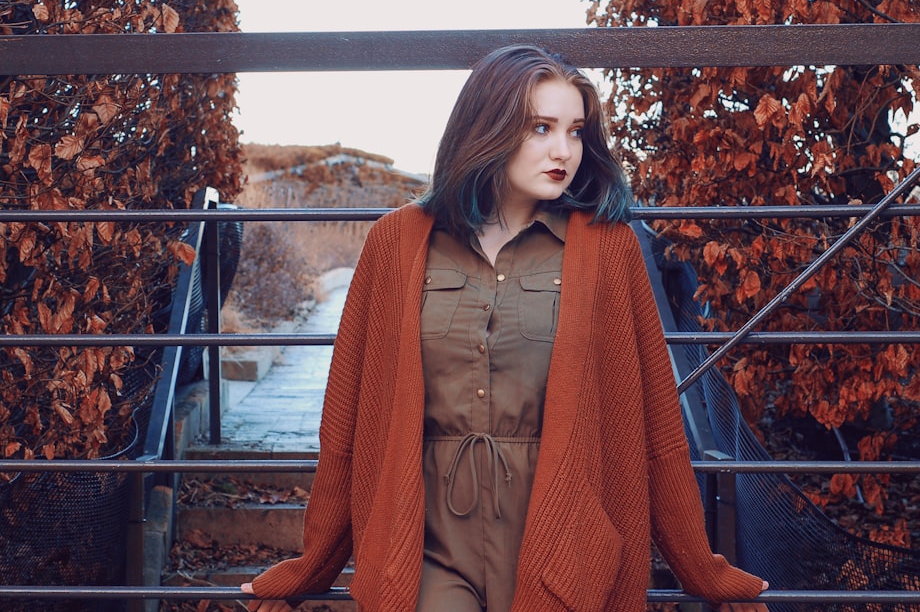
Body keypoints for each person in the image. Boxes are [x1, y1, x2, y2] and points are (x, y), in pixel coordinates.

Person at [241, 44, 769, 612]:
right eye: (540, 127)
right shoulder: (395, 243)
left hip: (563, 538)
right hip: (427, 543)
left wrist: (701, 571)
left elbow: (655, 426)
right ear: (486, 127)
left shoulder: (609, 250)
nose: (563, 150)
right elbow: (347, 423)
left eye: (575, 130)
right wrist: (311, 567)